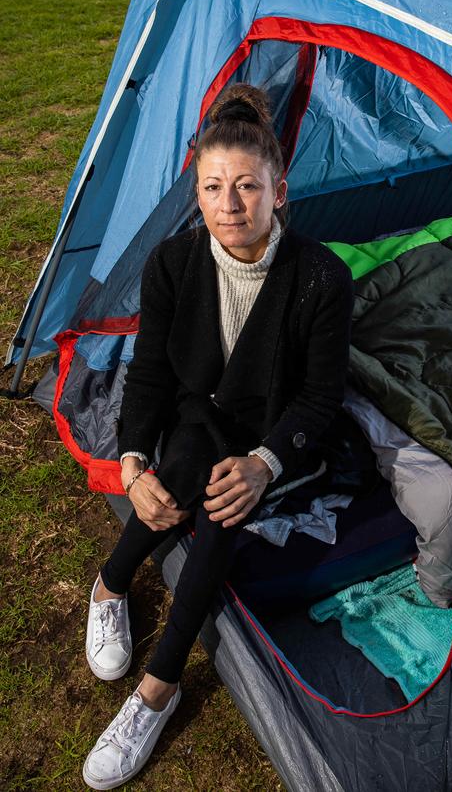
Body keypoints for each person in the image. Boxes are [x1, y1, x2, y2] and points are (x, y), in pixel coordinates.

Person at [82, 83, 355, 790]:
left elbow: (321, 395)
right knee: (190, 457)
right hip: (196, 416)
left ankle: (158, 687)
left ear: (280, 190)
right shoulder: (171, 264)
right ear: (195, 193)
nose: (229, 205)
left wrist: (265, 462)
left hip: (268, 434)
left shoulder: (322, 277)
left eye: (246, 187)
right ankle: (109, 587)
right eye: (212, 187)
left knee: (225, 498)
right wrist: (133, 465)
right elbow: (147, 374)